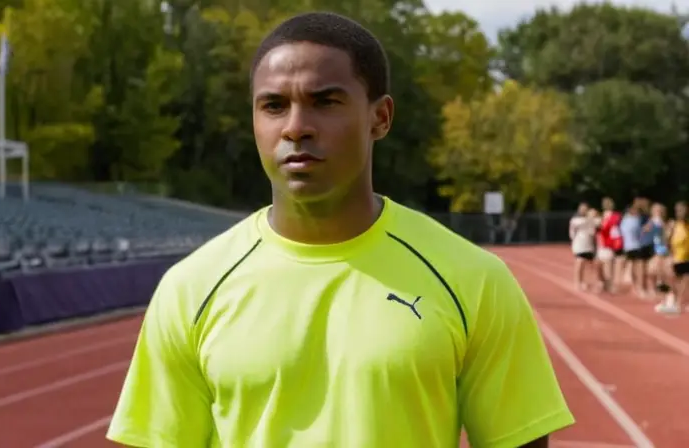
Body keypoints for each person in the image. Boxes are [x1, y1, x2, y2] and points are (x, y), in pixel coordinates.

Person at [106, 12, 574, 448]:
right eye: (273, 105)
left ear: (380, 117)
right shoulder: (191, 289)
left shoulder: (473, 280)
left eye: (324, 102)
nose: (295, 127)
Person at [656, 201, 689, 315]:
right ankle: (672, 300)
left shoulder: (687, 224)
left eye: (683, 210)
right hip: (675, 256)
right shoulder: (673, 224)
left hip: (686, 257)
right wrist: (668, 254)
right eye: (679, 210)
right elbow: (666, 240)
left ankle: (679, 302)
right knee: (673, 280)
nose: (681, 213)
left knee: (685, 280)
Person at [569, 203, 601, 291]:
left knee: (590, 265)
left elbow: (600, 222)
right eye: (581, 209)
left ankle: (586, 282)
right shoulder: (576, 220)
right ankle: (578, 282)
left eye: (585, 209)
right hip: (579, 245)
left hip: (590, 246)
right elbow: (572, 232)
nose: (583, 210)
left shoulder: (593, 220)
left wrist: (596, 214)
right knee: (580, 263)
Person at [597, 197, 623, 292]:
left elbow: (614, 230)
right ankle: (604, 283)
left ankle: (610, 285)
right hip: (601, 243)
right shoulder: (602, 216)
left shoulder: (615, 216)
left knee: (608, 265)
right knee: (600, 265)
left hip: (608, 243)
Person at [620, 204, 646, 298]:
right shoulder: (635, 220)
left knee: (634, 266)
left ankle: (636, 286)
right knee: (638, 267)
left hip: (629, 246)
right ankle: (638, 287)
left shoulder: (625, 220)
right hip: (634, 246)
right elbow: (639, 233)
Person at [643, 202, 669, 299]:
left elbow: (666, 234)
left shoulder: (663, 222)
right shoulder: (651, 221)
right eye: (655, 210)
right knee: (651, 270)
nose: (657, 212)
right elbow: (644, 232)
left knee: (659, 270)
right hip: (652, 247)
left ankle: (659, 290)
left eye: (659, 210)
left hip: (661, 247)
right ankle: (652, 289)